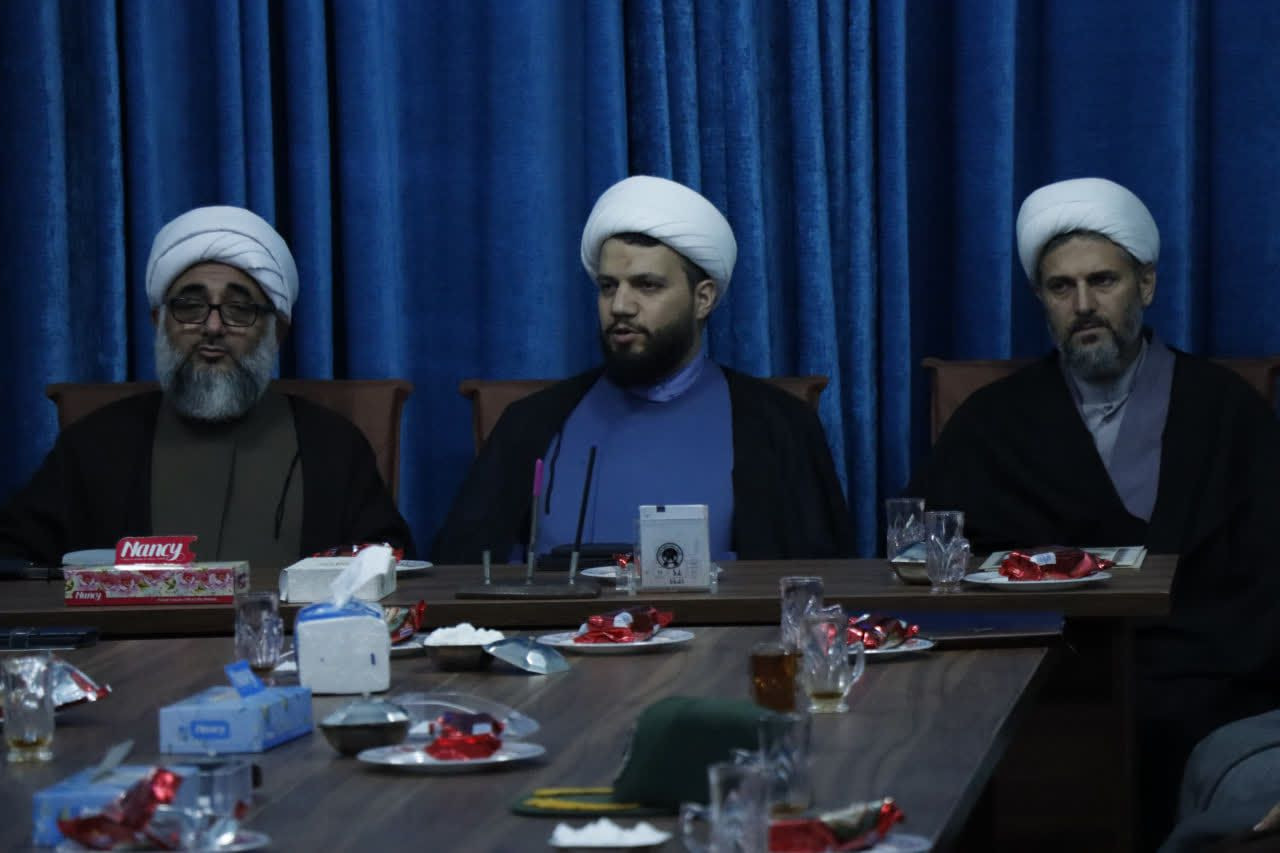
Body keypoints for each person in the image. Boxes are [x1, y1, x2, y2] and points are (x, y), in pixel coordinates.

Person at [908, 177, 1280, 845]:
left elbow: (1267, 578)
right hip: (1040, 679)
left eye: (1103, 281)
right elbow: (933, 562)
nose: (1083, 305)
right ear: (1042, 300)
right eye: (1061, 287)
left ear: (1146, 285)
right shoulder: (990, 423)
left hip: (1205, 684)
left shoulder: (1228, 412)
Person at [433, 175, 851, 564]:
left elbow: (821, 591)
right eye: (608, 286)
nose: (620, 306)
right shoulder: (530, 424)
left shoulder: (781, 427)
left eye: (647, 285)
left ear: (703, 299)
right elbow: (460, 576)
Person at [0, 205, 413, 567]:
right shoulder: (93, 445)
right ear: (158, 322)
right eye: (190, 306)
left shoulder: (333, 446)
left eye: (239, 309)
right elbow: (16, 562)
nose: (213, 326)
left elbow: (388, 564)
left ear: (277, 332)